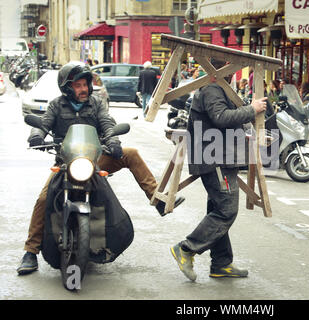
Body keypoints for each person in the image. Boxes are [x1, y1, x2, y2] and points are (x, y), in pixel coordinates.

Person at [17, 62, 184, 275]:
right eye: (77, 85)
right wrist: (36, 136)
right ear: (67, 87)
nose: (83, 89)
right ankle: (30, 252)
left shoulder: (95, 103)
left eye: (85, 84)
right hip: (65, 163)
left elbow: (106, 123)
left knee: (130, 153)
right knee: (43, 199)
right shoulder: (56, 105)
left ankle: (158, 199)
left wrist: (112, 141)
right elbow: (42, 123)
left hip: (94, 161)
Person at [170, 59, 268, 281]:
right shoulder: (213, 88)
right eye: (231, 68)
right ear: (221, 70)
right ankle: (186, 248)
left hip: (220, 157)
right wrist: (251, 109)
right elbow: (221, 117)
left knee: (218, 209)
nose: (234, 72)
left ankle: (221, 263)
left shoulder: (221, 88)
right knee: (226, 210)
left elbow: (224, 120)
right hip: (214, 159)